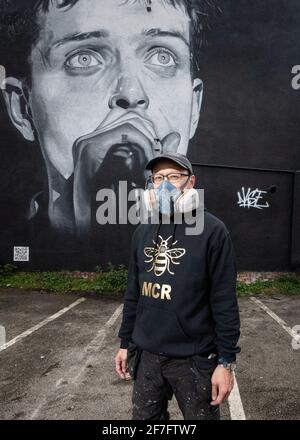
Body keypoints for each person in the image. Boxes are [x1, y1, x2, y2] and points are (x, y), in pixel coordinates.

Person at [0, 0, 219, 238]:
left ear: (194, 109)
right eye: (83, 58)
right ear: (22, 108)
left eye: (162, 57)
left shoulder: (213, 237)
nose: (131, 93)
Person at [115, 152, 241, 420]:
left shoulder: (213, 231)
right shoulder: (142, 231)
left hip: (194, 359)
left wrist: (225, 362)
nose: (165, 184)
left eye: (174, 176)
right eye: (158, 178)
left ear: (191, 182)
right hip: (147, 355)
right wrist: (125, 342)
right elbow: (133, 294)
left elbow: (224, 300)